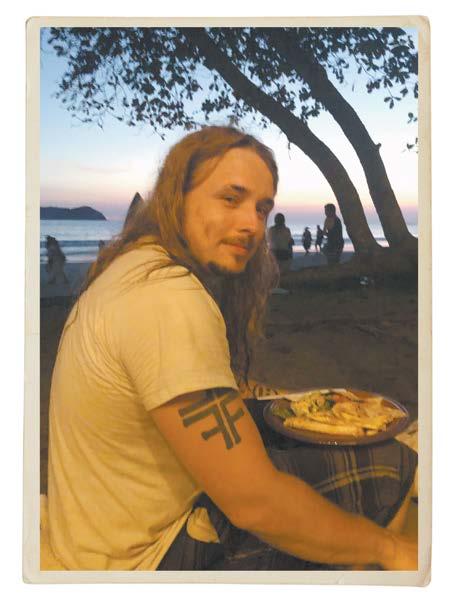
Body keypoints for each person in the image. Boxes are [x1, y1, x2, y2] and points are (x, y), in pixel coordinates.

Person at [47, 126, 417, 571]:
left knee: (300, 430)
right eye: (230, 198)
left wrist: (290, 402)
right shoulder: (167, 298)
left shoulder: (135, 267)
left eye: (261, 208)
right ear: (176, 196)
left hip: (95, 531)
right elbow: (254, 504)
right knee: (392, 462)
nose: (252, 225)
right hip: (140, 558)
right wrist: (390, 549)